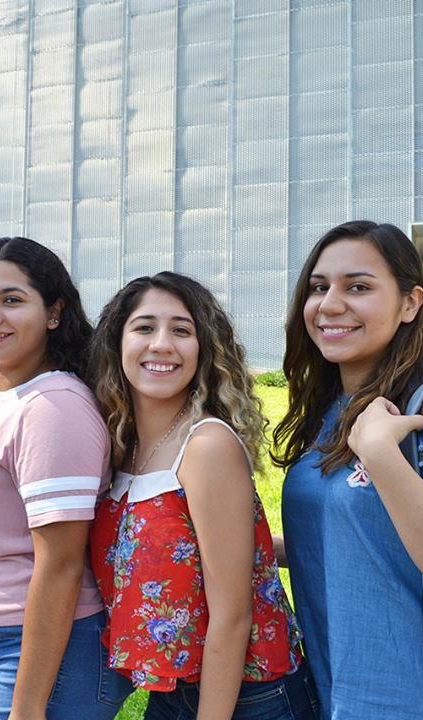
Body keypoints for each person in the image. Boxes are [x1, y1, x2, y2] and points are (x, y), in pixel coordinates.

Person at [273, 221, 423, 719]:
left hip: (418, 698)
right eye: (319, 287)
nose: (329, 304)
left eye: (358, 287)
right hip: (332, 690)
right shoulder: (329, 410)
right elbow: (356, 537)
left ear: (411, 303)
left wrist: (383, 458)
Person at [88, 271, 317, 720]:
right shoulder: (121, 447)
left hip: (251, 695)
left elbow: (233, 616)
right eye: (144, 327)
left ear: (203, 348)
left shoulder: (206, 445)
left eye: (181, 330)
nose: (161, 344)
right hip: (173, 692)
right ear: (117, 343)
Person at [0, 236, 132, 720]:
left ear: (54, 313)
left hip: (49, 655)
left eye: (11, 300)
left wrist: (27, 707)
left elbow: (61, 565)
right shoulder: (20, 399)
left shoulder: (53, 407)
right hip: (11, 650)